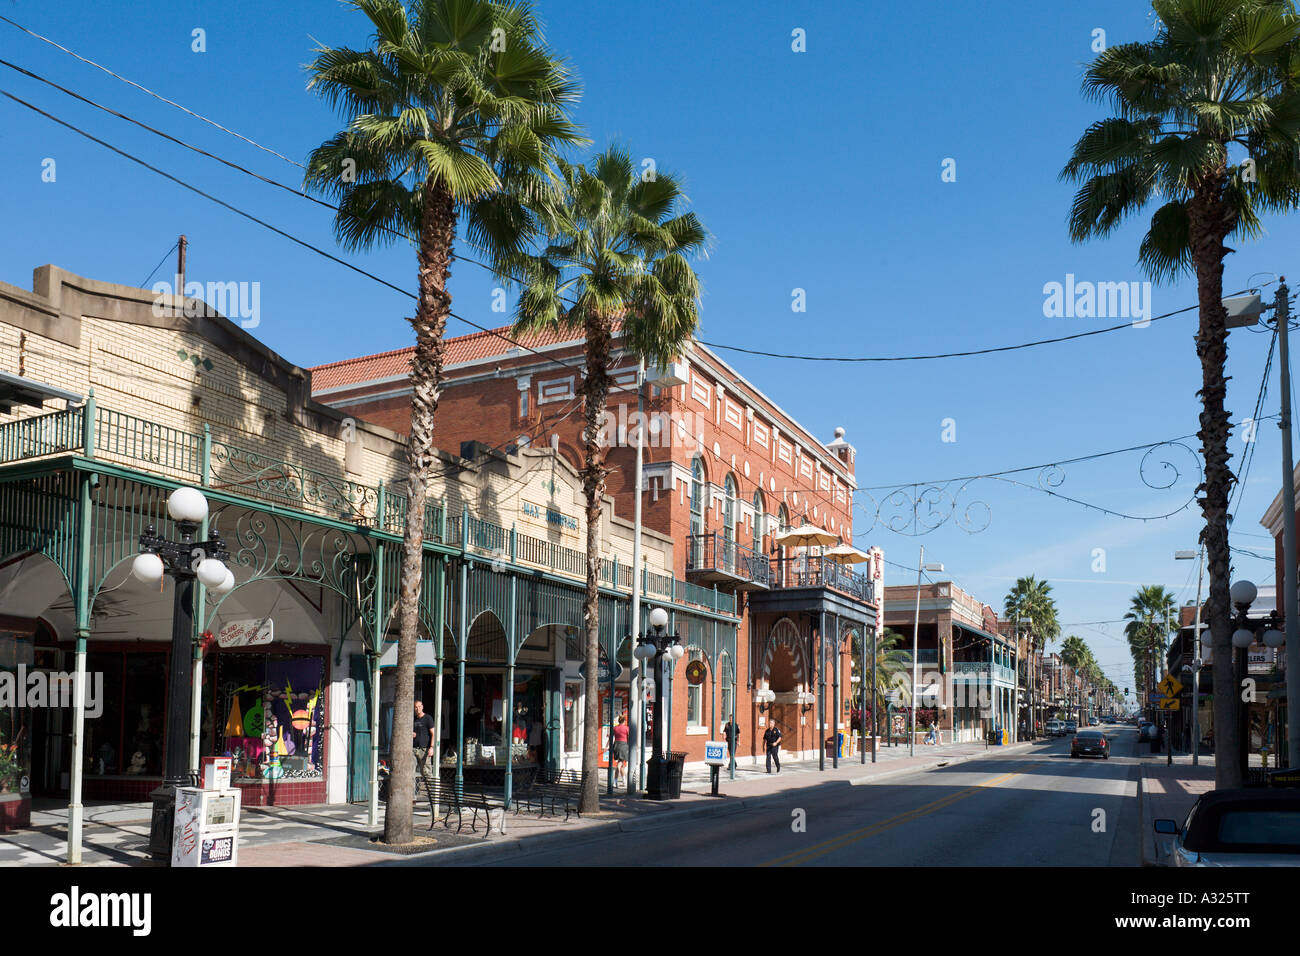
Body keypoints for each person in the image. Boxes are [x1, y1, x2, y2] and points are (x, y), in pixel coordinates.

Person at [412, 700, 436, 787]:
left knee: (426, 772)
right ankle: (412, 795)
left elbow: (433, 733)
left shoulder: (428, 718)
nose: (417, 709)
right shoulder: (413, 719)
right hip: (413, 749)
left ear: (422, 707)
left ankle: (432, 795)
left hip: (424, 749)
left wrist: (431, 747)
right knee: (411, 771)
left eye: (419, 706)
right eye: (416, 707)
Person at [612, 712, 630, 786]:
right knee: (619, 764)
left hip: (616, 745)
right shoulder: (626, 728)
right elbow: (629, 737)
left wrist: (607, 746)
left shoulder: (615, 728)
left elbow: (611, 737)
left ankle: (624, 781)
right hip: (623, 745)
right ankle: (615, 781)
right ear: (624, 721)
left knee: (622, 764)